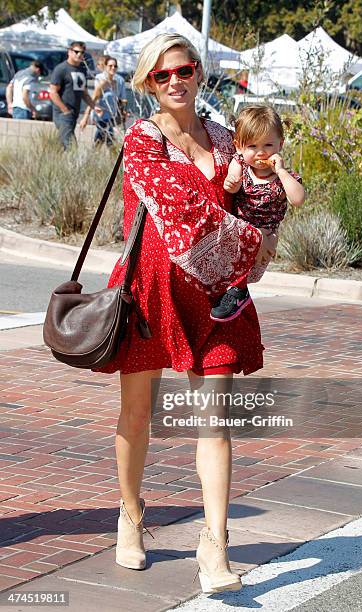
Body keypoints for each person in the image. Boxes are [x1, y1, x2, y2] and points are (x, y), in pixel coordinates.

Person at [93, 32, 274, 594]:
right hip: (150, 293)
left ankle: (215, 546)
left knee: (215, 422)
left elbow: (257, 203)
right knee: (137, 415)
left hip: (215, 298)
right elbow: (187, 211)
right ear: (149, 82)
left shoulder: (225, 139)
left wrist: (268, 216)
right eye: (163, 75)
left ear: (198, 73)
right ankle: (130, 514)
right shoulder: (143, 140)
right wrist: (252, 239)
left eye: (185, 70)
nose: (176, 81)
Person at [211, 105, 305, 322]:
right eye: (252, 146)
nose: (261, 152)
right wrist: (232, 181)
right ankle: (234, 290)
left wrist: (280, 171)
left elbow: (298, 199)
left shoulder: (284, 178)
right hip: (240, 231)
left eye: (268, 145)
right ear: (239, 146)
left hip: (266, 236)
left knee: (253, 247)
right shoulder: (241, 164)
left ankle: (238, 291)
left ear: (280, 144)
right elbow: (232, 186)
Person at [49, 41, 101, 150]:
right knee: (72, 146)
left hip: (74, 113)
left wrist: (93, 106)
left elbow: (84, 93)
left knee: (60, 147)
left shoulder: (82, 69)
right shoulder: (61, 69)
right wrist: (65, 110)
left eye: (82, 53)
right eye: (76, 52)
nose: (79, 55)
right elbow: (53, 92)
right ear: (69, 52)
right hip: (62, 115)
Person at [80, 55, 127, 146]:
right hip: (100, 114)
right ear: (105, 66)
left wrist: (123, 111)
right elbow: (94, 97)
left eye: (115, 66)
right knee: (109, 137)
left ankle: (94, 155)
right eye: (110, 66)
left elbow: (122, 99)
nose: (113, 68)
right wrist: (86, 116)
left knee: (101, 138)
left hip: (112, 114)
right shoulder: (99, 78)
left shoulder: (120, 80)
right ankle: (111, 155)